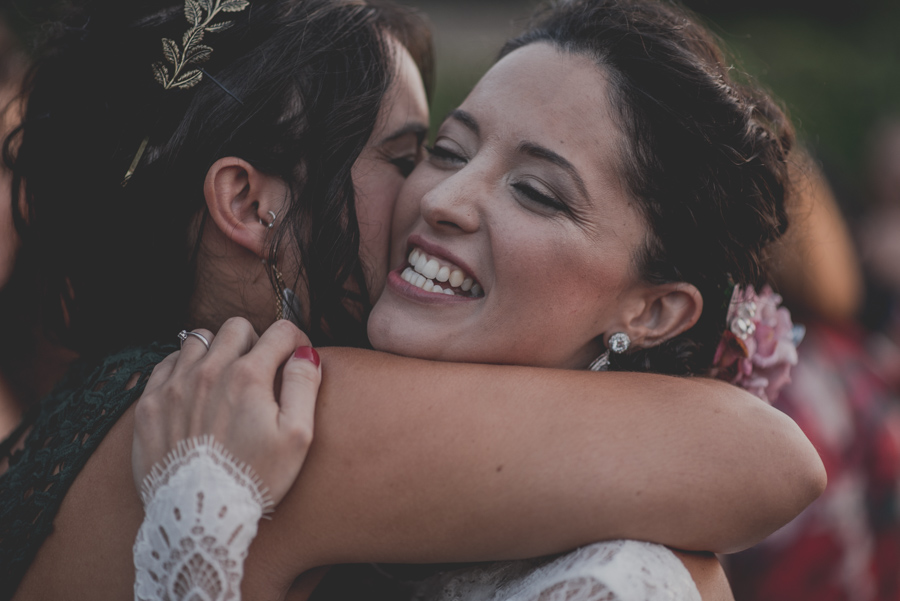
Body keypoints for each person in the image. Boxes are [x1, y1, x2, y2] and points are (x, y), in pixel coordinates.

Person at [0, 0, 822, 599]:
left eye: (536, 190)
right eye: (420, 153)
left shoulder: (103, 399)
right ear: (250, 204)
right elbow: (761, 455)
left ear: (654, 308)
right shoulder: (275, 402)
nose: (437, 198)